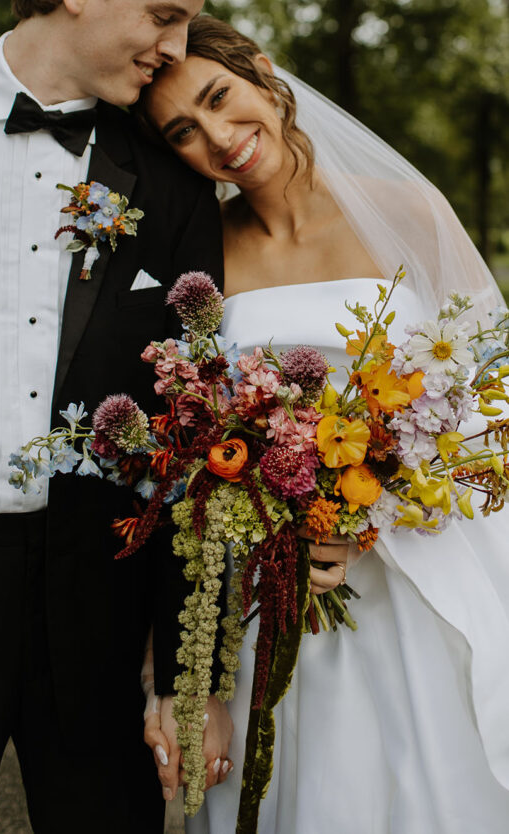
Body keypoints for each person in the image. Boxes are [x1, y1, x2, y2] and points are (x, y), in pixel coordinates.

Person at [138, 15, 509, 834]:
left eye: (220, 98)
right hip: (270, 569)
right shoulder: (205, 254)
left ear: (267, 77)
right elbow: (195, 428)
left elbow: (495, 394)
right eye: (184, 132)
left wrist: (374, 504)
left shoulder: (406, 209)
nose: (220, 138)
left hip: (419, 547)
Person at [0, 2, 234, 832]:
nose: (175, 46)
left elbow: (195, 434)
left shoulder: (177, 184)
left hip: (100, 587)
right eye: (164, 13)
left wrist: (192, 672)